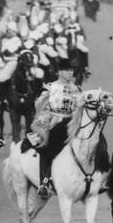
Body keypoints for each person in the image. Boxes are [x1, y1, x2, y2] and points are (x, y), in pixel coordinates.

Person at [23, 58, 80, 200]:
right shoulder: (50, 87)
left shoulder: (77, 89)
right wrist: (43, 102)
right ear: (59, 72)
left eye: (71, 70)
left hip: (72, 122)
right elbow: (39, 106)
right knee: (48, 148)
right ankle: (45, 182)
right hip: (55, 121)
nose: (70, 73)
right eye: (67, 70)